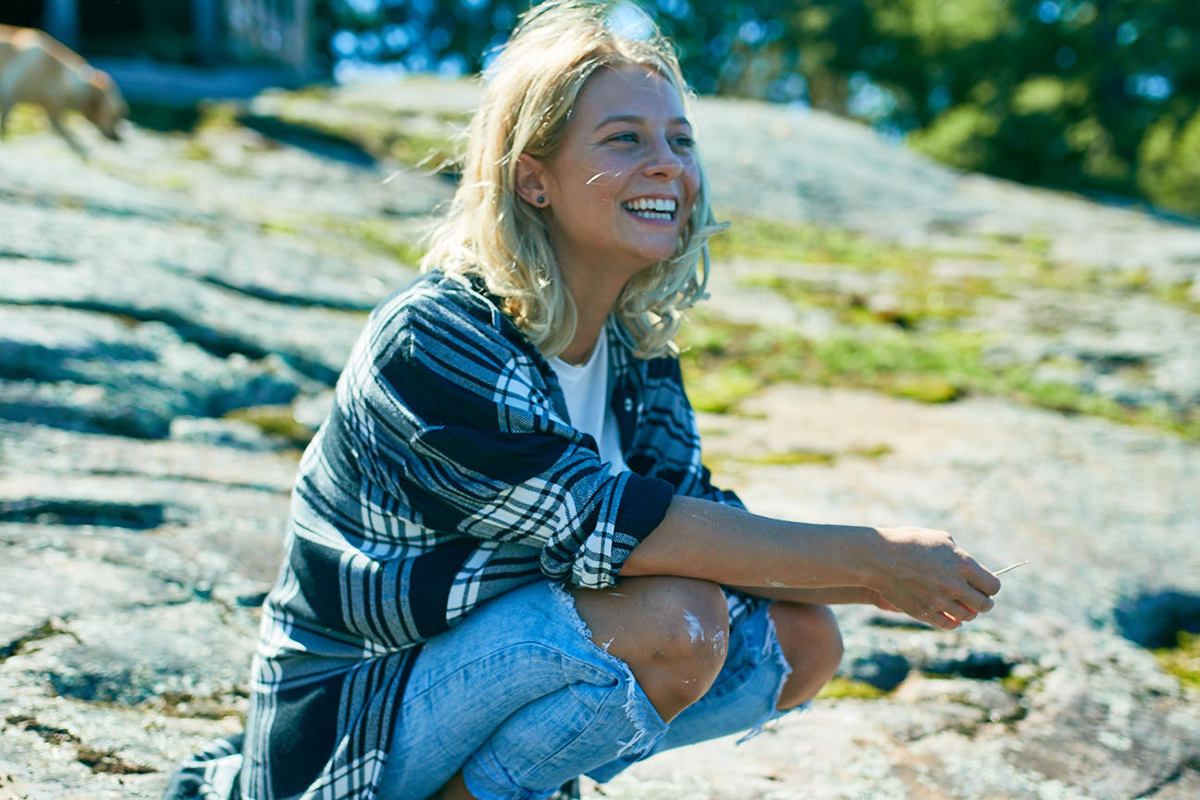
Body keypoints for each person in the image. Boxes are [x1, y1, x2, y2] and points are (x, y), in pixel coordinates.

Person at [164, 2, 1001, 799]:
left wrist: (906, 584)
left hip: (489, 674)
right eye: (625, 139)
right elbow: (615, 525)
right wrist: (872, 555)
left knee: (801, 641)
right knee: (679, 621)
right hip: (354, 727)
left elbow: (701, 522)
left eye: (679, 139)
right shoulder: (436, 338)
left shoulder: (637, 360)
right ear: (535, 181)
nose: (668, 165)